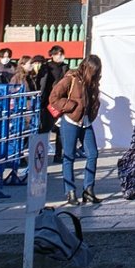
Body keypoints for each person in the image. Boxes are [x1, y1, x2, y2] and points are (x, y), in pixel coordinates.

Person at [48, 54, 103, 205]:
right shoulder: (70, 78)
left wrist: (93, 110)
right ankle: (70, 192)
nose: (96, 74)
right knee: (69, 156)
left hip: (85, 121)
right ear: (87, 67)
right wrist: (71, 106)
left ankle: (89, 190)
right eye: (94, 70)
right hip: (70, 120)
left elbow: (93, 100)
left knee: (93, 153)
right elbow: (54, 97)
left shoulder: (92, 81)